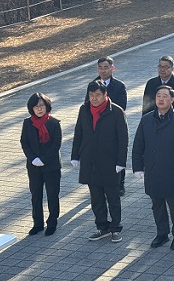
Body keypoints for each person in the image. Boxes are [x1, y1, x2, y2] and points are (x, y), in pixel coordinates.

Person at [132, 85, 174, 250]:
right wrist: (138, 167)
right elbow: (138, 145)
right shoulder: (146, 120)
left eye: (165, 96)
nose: (161, 99)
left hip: (173, 172)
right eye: (158, 95)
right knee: (157, 204)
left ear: (172, 100)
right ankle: (162, 234)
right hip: (152, 171)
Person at [72, 80, 129, 242]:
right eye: (91, 95)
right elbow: (78, 133)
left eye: (97, 95)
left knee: (113, 198)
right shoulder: (84, 110)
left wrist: (121, 162)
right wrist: (75, 155)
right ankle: (102, 227)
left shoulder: (116, 111)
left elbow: (123, 139)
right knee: (96, 198)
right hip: (90, 161)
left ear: (105, 95)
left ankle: (115, 228)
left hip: (110, 162)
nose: (94, 98)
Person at [85, 56, 128, 196]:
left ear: (112, 68)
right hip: (96, 127)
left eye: (106, 67)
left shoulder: (119, 86)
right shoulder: (92, 85)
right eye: (100, 68)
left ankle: (120, 183)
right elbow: (87, 106)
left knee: (116, 154)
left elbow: (122, 106)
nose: (103, 71)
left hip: (113, 126)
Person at [20, 93, 62, 236]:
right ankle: (37, 223)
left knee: (52, 195)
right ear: (31, 108)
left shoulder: (54, 123)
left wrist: (44, 159)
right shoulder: (27, 123)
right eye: (36, 106)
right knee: (36, 195)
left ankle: (52, 222)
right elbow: (24, 142)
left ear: (47, 106)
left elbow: (56, 144)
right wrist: (32, 158)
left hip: (51, 166)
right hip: (34, 166)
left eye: (42, 105)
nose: (39, 109)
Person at [142, 55, 174, 121]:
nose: (162, 70)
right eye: (160, 67)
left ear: (172, 69)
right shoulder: (151, 83)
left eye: (165, 67)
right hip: (154, 121)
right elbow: (146, 106)